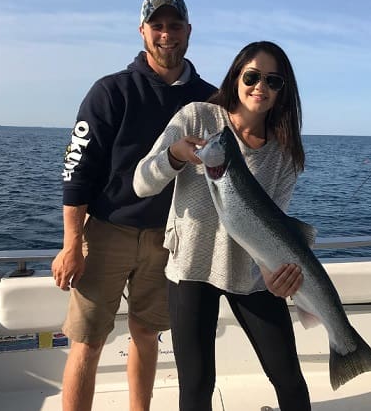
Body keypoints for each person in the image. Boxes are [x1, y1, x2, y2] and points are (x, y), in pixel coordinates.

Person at [51, 0, 216, 411]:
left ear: (189, 32)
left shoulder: (211, 101)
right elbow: (77, 171)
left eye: (174, 25)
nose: (166, 35)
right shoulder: (110, 92)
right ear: (142, 31)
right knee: (87, 342)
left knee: (147, 335)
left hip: (170, 240)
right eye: (157, 26)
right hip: (107, 232)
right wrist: (72, 243)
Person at [133, 41, 311, 411]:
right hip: (191, 269)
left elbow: (271, 229)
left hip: (250, 275)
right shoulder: (197, 117)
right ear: (236, 78)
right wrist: (174, 156)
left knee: (289, 379)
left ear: (282, 92)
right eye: (251, 76)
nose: (260, 86)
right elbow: (141, 183)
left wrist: (276, 275)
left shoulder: (285, 153)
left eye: (273, 81)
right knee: (197, 387)